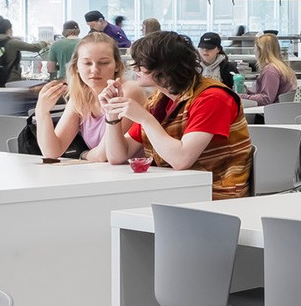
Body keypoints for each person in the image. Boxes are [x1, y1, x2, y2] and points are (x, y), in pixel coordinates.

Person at [100, 30, 252, 199]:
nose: (134, 68)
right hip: (175, 191)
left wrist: (144, 118)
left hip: (215, 196)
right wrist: (111, 113)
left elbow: (181, 160)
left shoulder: (213, 98)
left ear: (165, 67)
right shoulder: (158, 100)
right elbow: (117, 157)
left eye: (141, 64)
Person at [31, 30, 120, 160]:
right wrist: (42, 112)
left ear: (117, 65)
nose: (94, 70)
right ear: (76, 66)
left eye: (104, 62)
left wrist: (83, 155)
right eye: (87, 63)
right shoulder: (80, 97)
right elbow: (52, 152)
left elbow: (104, 155)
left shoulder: (126, 92)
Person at [0, 16, 41, 87]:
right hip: (11, 82)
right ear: (9, 30)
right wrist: (45, 43)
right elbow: (35, 47)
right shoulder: (12, 43)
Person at [249, 32, 297, 106]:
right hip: (281, 113)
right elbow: (272, 95)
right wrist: (249, 93)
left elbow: (266, 99)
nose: (254, 51)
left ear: (261, 51)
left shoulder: (270, 70)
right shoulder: (283, 67)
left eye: (255, 48)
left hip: (270, 114)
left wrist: (241, 96)